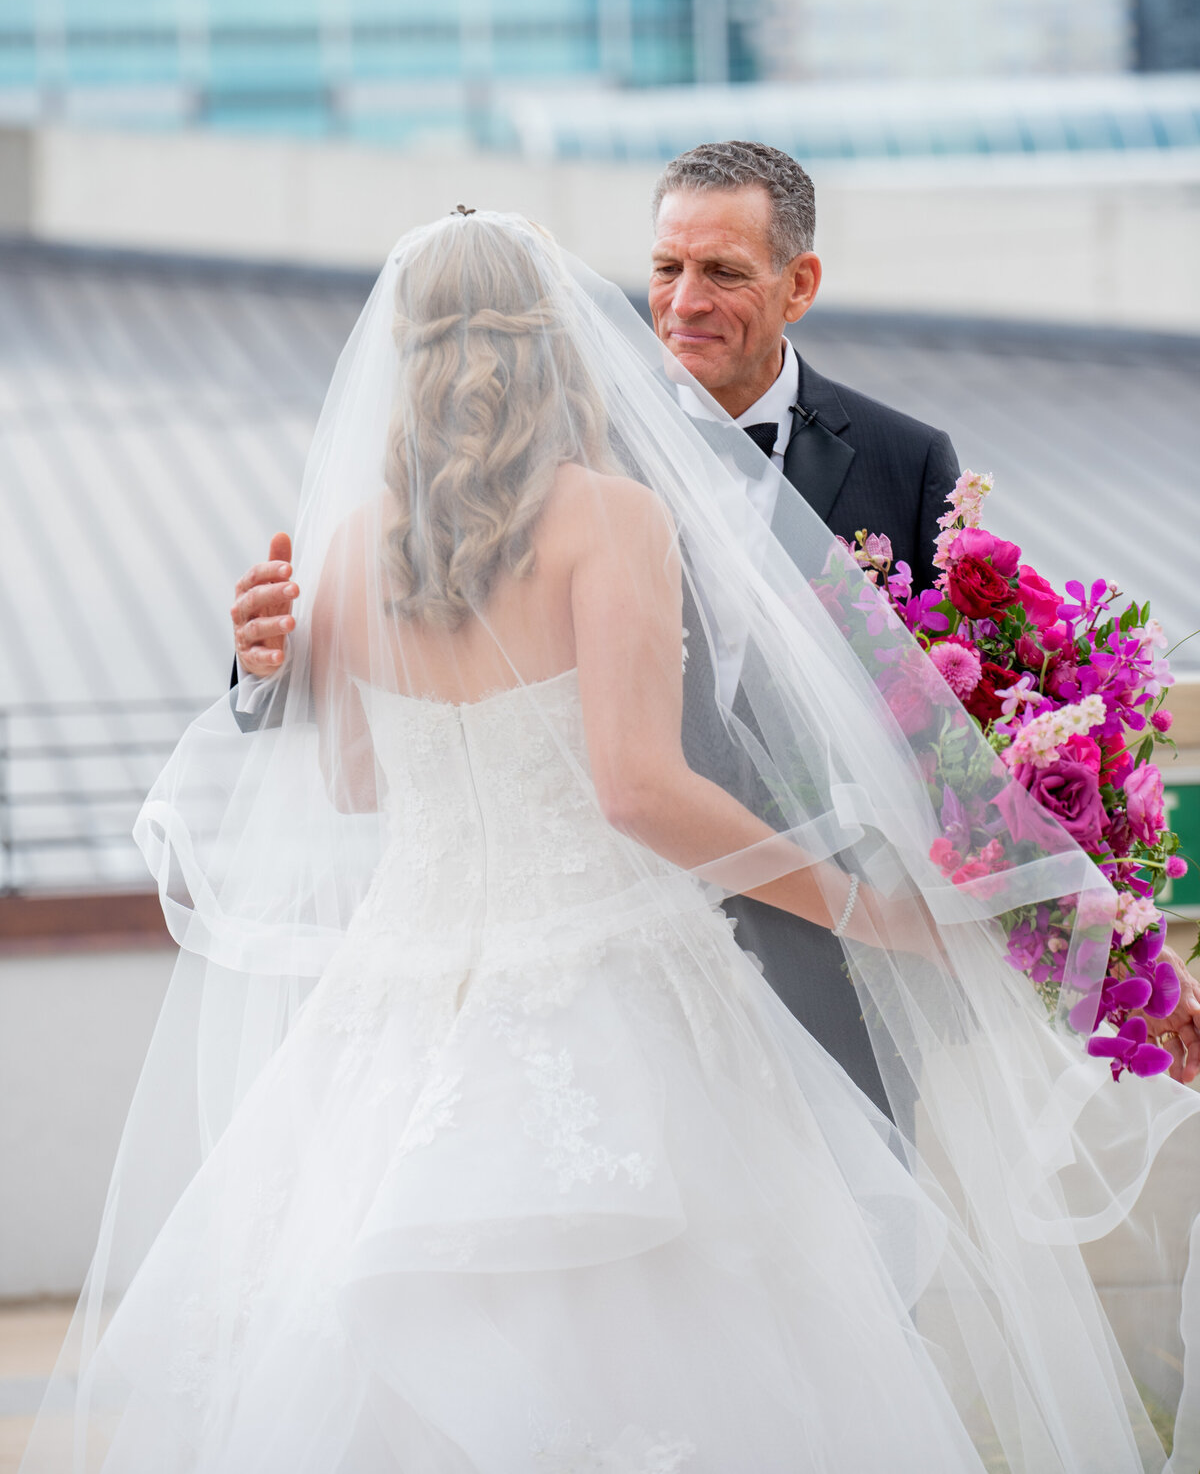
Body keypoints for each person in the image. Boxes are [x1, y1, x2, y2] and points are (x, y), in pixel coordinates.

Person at [25, 210, 1200, 1470]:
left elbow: (360, 783)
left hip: (400, 996)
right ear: (560, 348)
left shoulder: (360, 540)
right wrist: (867, 905)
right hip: (606, 984)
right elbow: (640, 789)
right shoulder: (610, 517)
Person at [230, 143, 1200, 1107]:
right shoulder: (548, 455)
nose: (684, 300)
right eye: (665, 268)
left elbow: (994, 732)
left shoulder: (906, 463)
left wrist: (1124, 950)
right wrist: (261, 665)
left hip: (848, 971)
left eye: (724, 272)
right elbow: (413, 647)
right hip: (619, 963)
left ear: (799, 282)